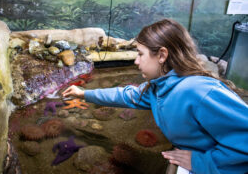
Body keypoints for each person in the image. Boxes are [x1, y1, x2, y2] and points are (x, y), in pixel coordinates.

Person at [62, 19, 248, 174]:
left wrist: (202, 162)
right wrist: (85, 93)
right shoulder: (158, 88)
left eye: (140, 54)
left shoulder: (197, 90)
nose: (135, 61)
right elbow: (127, 95)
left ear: (161, 55)